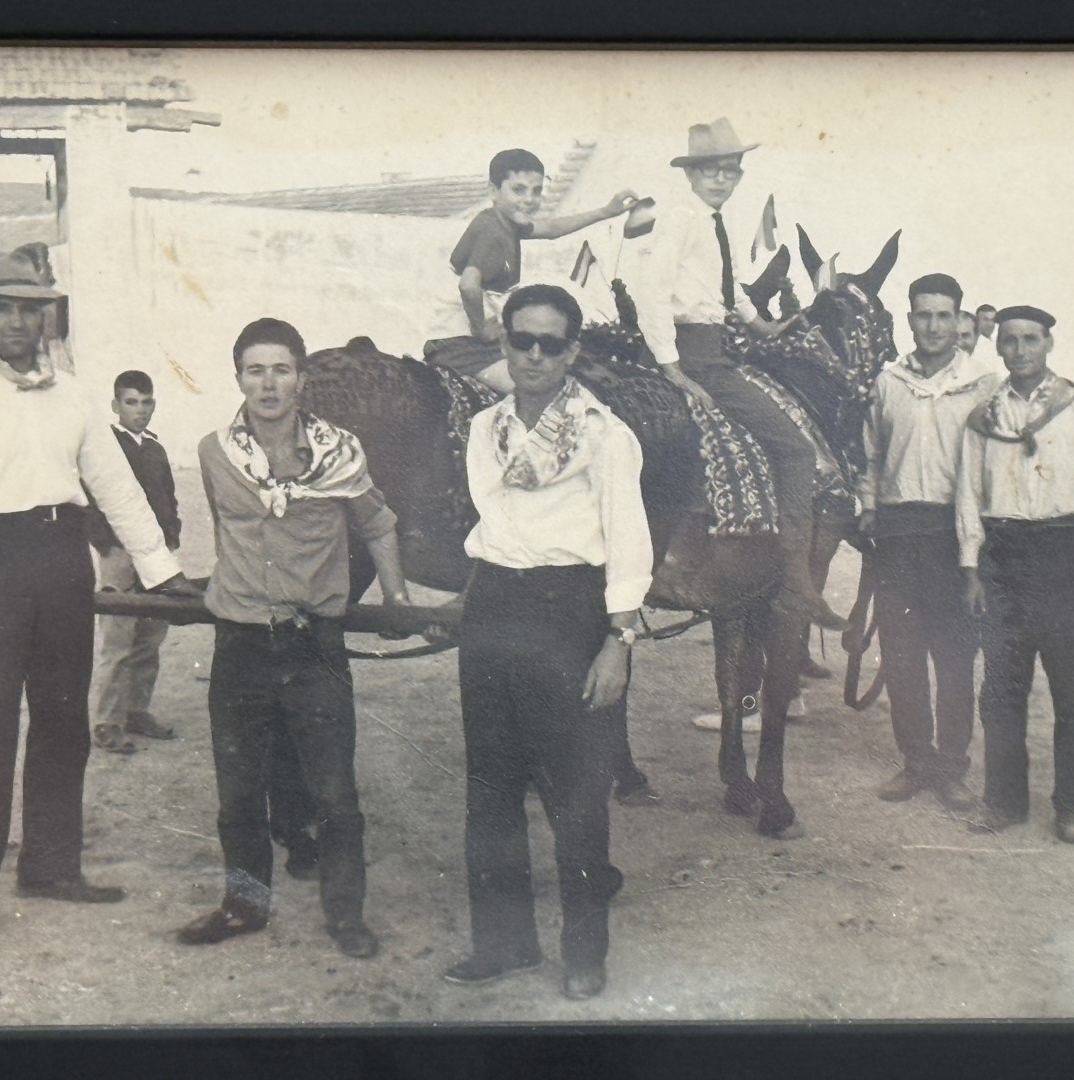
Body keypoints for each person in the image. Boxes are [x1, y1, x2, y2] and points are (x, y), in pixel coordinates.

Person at [0, 251, 196, 948]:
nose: (19, 319)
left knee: (64, 724)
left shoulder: (72, 393)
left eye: (31, 306)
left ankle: (50, 867)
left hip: (62, 561)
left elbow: (117, 488)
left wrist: (163, 571)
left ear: (46, 315)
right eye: (3, 306)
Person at [444, 284, 653, 1001]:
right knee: (491, 789)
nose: (534, 355)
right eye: (521, 340)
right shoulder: (483, 430)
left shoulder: (603, 434)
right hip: (495, 606)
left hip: (570, 612)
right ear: (504, 343)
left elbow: (628, 541)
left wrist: (618, 639)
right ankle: (503, 943)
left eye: (550, 343)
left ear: (572, 352)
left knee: (577, 794)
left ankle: (586, 952)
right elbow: (493, 523)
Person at [177, 318, 411, 952]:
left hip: (315, 644)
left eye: (281, 369)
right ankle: (244, 907)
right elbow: (227, 532)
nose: (269, 382)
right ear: (239, 379)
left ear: (302, 380)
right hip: (242, 642)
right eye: (256, 370)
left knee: (335, 791)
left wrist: (395, 597)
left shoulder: (341, 450)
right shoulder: (213, 452)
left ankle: (346, 915)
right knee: (239, 793)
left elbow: (378, 523)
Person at [636, 117, 846, 630]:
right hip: (697, 355)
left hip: (715, 346)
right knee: (796, 450)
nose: (721, 179)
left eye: (730, 170)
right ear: (691, 174)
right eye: (710, 170)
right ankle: (797, 576)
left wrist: (766, 327)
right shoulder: (683, 218)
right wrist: (673, 368)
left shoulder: (711, 220)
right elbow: (651, 292)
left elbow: (726, 293)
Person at [957, 306, 1074, 842]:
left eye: (1031, 339)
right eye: (1010, 341)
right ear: (998, 347)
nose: (1021, 350)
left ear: (1049, 343)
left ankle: (1072, 807)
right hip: (1002, 555)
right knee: (1002, 691)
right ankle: (1004, 802)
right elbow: (968, 495)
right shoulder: (985, 416)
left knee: (1071, 692)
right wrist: (970, 565)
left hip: (1065, 553)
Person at [859, 272, 999, 811]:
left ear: (960, 320)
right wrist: (868, 507)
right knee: (901, 656)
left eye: (944, 315)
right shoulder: (888, 381)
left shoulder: (983, 384)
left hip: (954, 535)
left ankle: (953, 766)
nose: (934, 325)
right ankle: (916, 761)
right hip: (897, 534)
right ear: (910, 318)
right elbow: (869, 456)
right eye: (924, 314)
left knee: (956, 659)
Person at [425, 148, 637, 392]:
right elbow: (468, 285)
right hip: (458, 344)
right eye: (518, 190)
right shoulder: (491, 231)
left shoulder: (506, 222)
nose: (529, 199)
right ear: (493, 191)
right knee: (534, 391)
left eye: (536, 191)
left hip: (476, 341)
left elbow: (551, 228)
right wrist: (480, 328)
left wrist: (605, 212)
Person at [87, 369, 181, 753]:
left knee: (151, 637)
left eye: (145, 403)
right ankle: (107, 722)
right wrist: (105, 544)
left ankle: (137, 711)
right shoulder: (105, 447)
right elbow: (91, 498)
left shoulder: (155, 449)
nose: (139, 411)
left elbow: (168, 497)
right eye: (130, 402)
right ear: (116, 405)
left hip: (157, 556)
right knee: (118, 640)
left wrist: (171, 536)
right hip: (120, 554)